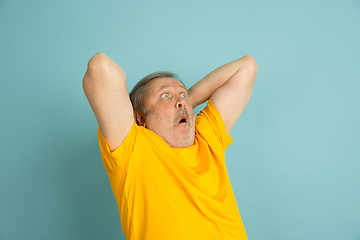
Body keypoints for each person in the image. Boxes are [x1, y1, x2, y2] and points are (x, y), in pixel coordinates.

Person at [83, 52, 258, 240]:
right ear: (140, 118)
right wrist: (180, 101)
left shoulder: (206, 137)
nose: (181, 101)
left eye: (182, 94)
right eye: (165, 96)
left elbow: (246, 67)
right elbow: (100, 66)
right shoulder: (132, 147)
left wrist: (184, 101)